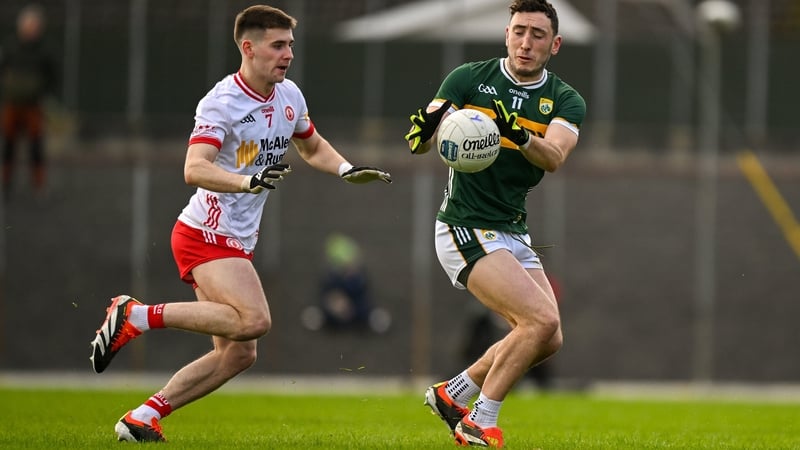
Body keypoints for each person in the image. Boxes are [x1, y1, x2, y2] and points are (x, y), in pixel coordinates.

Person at [89, 5, 391, 443]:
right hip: (205, 232)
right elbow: (194, 168)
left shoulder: (290, 97)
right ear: (248, 48)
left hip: (234, 238)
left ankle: (142, 416)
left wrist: (346, 169)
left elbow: (312, 147)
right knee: (254, 320)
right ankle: (134, 315)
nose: (288, 54)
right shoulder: (221, 101)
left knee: (239, 355)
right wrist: (245, 181)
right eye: (278, 45)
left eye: (290, 44)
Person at [404, 0, 585, 447]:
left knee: (550, 336)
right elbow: (426, 140)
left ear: (554, 44)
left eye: (537, 34)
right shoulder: (468, 78)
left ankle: (453, 394)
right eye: (519, 31)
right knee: (538, 321)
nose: (526, 42)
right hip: (464, 225)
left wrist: (520, 133)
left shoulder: (565, 99)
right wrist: (423, 134)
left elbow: (556, 156)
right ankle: (478, 421)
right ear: (506, 34)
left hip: (511, 230)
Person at [0, 4, 57, 200]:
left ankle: (38, 185)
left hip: (33, 105)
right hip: (12, 104)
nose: (31, 29)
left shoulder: (44, 51)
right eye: (29, 25)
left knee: (36, 146)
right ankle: (5, 183)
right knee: (8, 144)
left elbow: (52, 76)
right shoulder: (10, 47)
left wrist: (45, 95)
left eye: (35, 25)